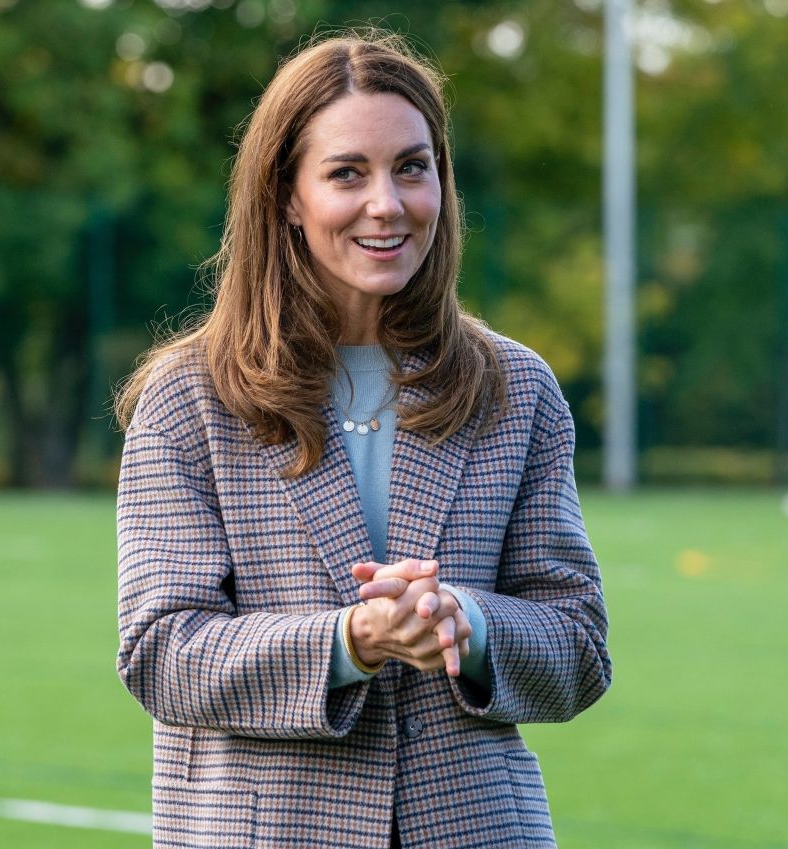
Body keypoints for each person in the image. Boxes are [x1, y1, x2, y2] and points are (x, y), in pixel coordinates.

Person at [114, 30, 611, 849]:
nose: (388, 202)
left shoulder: (514, 387)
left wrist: (466, 623)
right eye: (348, 172)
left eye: (413, 167)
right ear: (286, 195)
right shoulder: (189, 397)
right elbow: (164, 651)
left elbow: (580, 646)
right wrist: (355, 638)